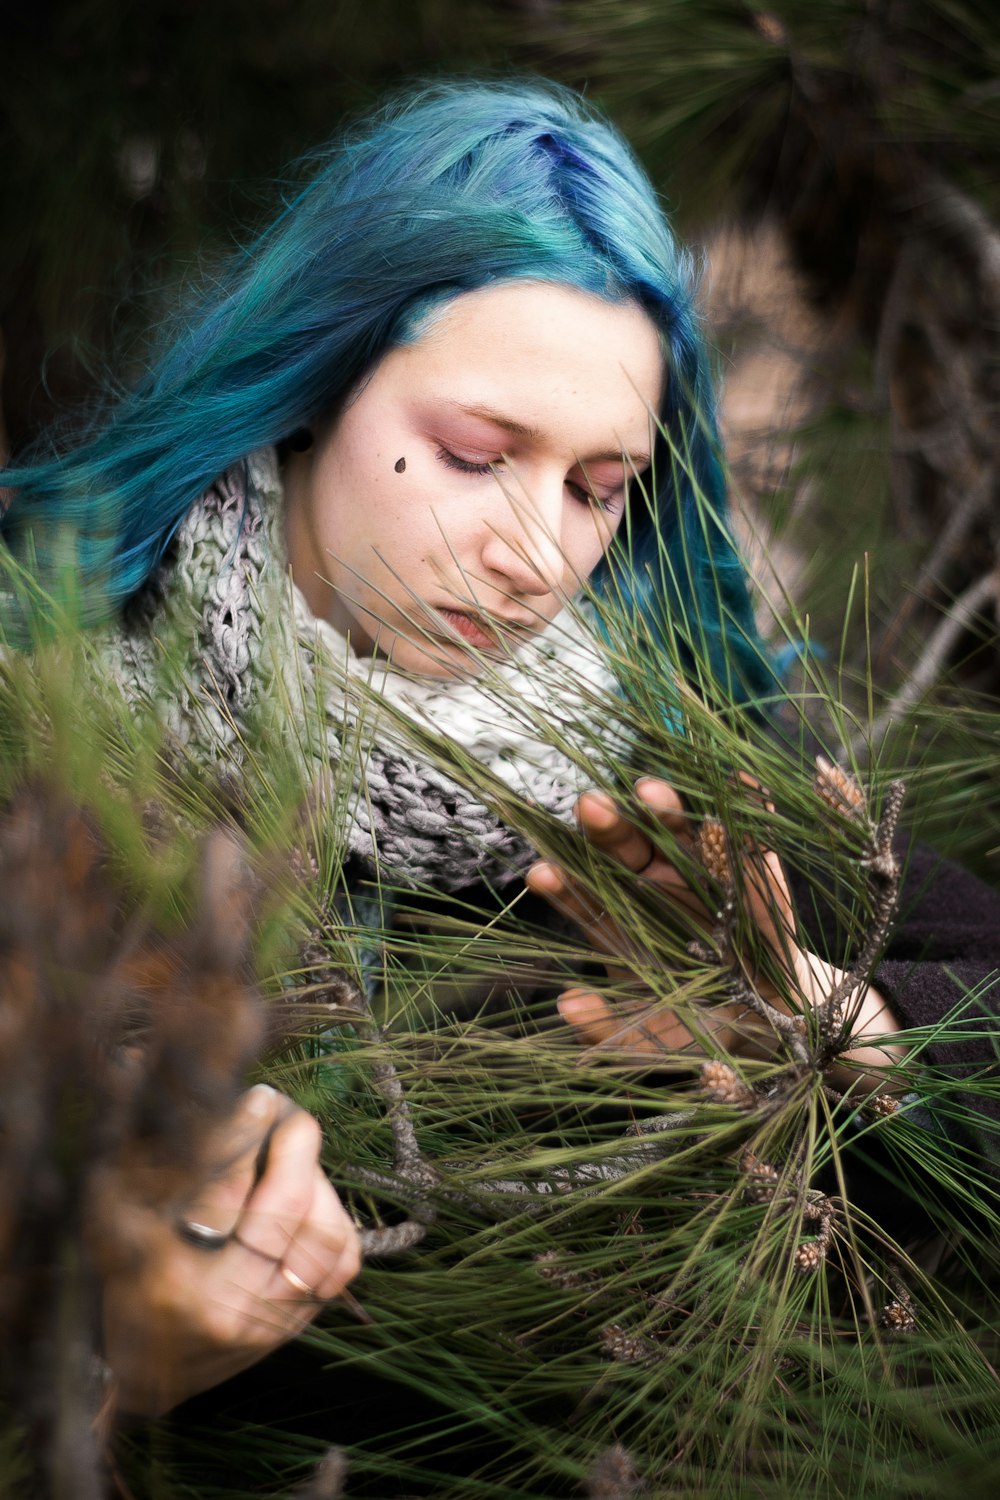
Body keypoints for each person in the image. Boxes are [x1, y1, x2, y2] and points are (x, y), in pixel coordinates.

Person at [1, 77, 997, 1427]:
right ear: (315, 382)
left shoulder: (689, 767)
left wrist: (846, 1035)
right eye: (475, 456)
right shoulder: (48, 736)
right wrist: (117, 1375)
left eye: (599, 488)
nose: (538, 558)